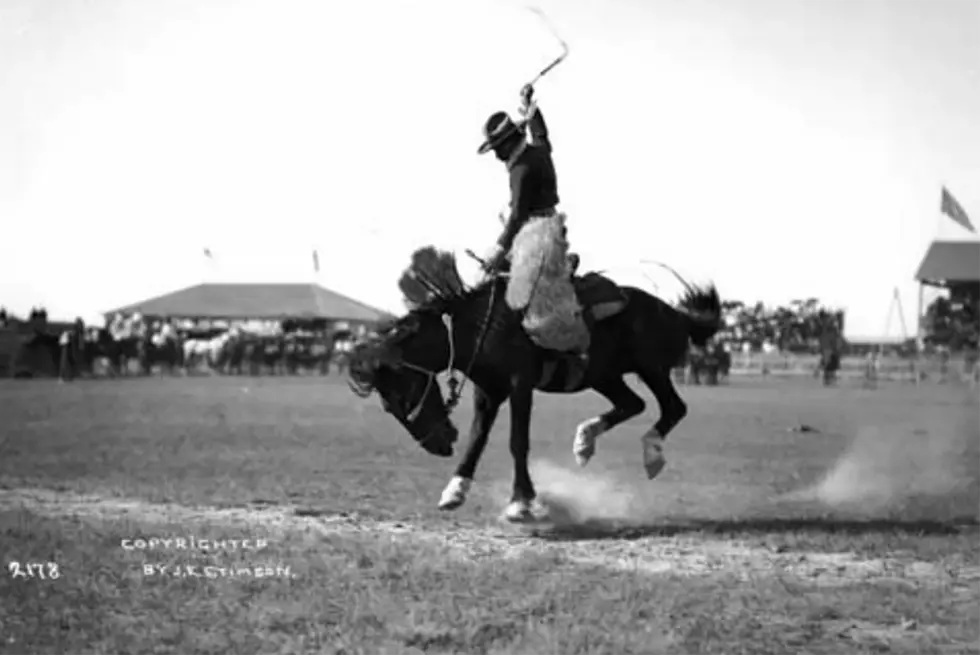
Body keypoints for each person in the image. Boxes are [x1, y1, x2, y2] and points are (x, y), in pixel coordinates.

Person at [478, 84, 573, 273]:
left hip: (537, 239)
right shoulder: (537, 152)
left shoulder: (521, 170)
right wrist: (530, 107)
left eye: (498, 148)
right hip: (551, 229)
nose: (496, 154)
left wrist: (499, 249)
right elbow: (540, 135)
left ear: (510, 142)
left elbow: (518, 215)